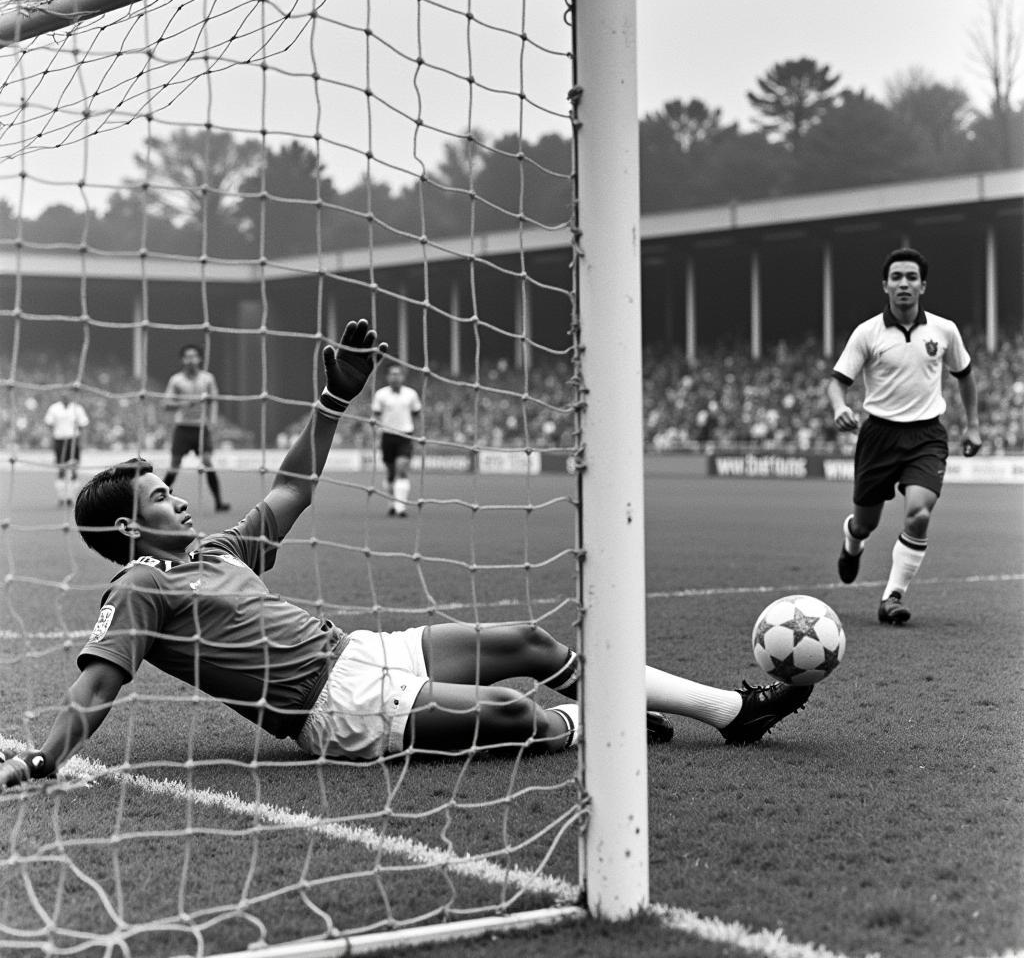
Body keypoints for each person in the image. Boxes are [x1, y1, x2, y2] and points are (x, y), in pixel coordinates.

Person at [0, 319, 814, 790]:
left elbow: (291, 490)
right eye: (157, 498)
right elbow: (100, 681)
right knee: (513, 716)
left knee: (530, 642)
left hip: (357, 650)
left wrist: (332, 400)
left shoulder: (212, 550)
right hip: (332, 712)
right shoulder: (140, 583)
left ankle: (729, 713)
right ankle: (601, 722)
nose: (175, 495)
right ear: (133, 532)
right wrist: (46, 756)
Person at [827, 247, 982, 625]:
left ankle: (892, 597)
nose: (904, 284)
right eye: (896, 277)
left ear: (923, 285)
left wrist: (973, 424)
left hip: (927, 436)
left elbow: (965, 376)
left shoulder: (944, 330)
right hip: (878, 435)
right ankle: (852, 542)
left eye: (911, 277)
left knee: (919, 513)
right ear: (885, 285)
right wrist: (840, 407)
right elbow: (837, 382)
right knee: (867, 523)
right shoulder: (868, 332)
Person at [163, 344, 229, 512]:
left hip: (201, 428)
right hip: (182, 428)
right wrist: (185, 403)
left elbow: (214, 399)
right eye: (187, 356)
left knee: (207, 462)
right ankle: (158, 500)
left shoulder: (207, 379)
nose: (191, 360)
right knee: (174, 465)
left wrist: (212, 421)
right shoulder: (176, 380)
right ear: (182, 359)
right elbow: (166, 404)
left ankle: (219, 502)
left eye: (194, 356)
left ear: (199, 359)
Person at [371, 362, 422, 517]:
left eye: (398, 374)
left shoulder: (411, 394)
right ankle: (392, 503)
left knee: (401, 469)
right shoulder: (380, 394)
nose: (395, 377)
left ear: (402, 376)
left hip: (405, 435)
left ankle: (400, 507)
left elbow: (417, 414)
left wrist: (419, 435)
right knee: (390, 473)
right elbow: (375, 416)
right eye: (392, 374)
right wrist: (374, 434)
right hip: (387, 436)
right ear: (387, 377)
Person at [43, 390, 90, 507]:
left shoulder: (77, 408)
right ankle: (61, 496)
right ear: (60, 397)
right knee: (61, 468)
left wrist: (83, 441)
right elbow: (48, 423)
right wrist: (50, 439)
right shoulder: (54, 408)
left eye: (67, 396)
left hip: (73, 440)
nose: (65, 397)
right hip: (59, 440)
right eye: (63, 396)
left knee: (74, 468)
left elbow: (83, 425)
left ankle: (71, 496)